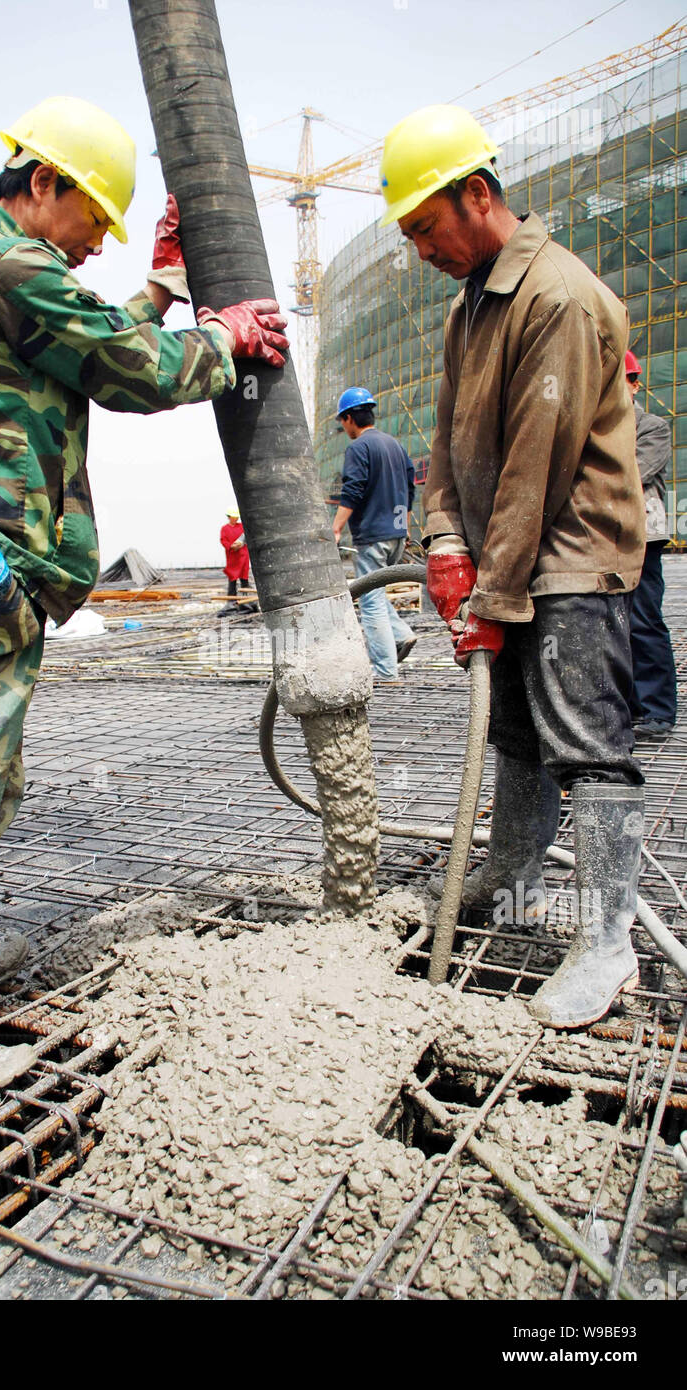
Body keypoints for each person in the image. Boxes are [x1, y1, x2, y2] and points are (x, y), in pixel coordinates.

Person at [0, 95, 288, 1117]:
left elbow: (91, 337)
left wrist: (168, 288)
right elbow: (124, 369)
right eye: (95, 217)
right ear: (44, 184)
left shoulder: (7, 270)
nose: (99, 243)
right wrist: (221, 341)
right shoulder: (9, 265)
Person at [379, 104, 646, 1029]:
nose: (418, 250)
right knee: (517, 736)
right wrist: (444, 541)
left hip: (571, 554)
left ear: (479, 195)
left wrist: (492, 590)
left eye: (424, 227)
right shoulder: (469, 309)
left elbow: (537, 464)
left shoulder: (559, 296)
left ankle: (610, 943)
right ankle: (512, 876)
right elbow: (449, 447)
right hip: (504, 552)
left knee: (583, 740)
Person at [331, 388, 417, 677]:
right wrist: (403, 527)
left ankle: (386, 673)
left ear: (349, 418)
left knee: (369, 602)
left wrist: (336, 527)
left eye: (342, 422)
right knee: (376, 594)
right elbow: (410, 489)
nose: (344, 428)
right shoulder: (395, 445)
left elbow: (353, 490)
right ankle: (402, 633)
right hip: (395, 535)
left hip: (373, 536)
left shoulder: (359, 448)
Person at [624, 349, 677, 739]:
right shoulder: (596, 426)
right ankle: (631, 707)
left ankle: (657, 710)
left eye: (622, 380)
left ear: (635, 383)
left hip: (643, 535)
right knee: (614, 625)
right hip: (604, 536)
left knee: (644, 621)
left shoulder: (652, 427)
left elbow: (633, 473)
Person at [217, 506, 257, 615]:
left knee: (244, 579)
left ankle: (245, 601)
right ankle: (231, 602)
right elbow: (223, 541)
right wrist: (231, 546)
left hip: (243, 556)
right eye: (233, 517)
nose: (235, 519)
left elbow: (246, 538)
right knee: (232, 579)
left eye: (236, 517)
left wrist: (240, 545)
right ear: (229, 517)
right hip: (232, 557)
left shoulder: (241, 527)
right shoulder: (225, 529)